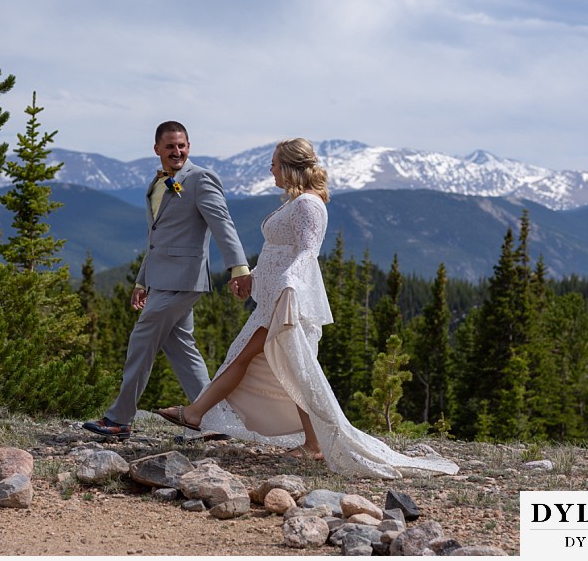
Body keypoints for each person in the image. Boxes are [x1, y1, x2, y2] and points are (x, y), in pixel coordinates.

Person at [156, 138, 458, 479]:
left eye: (273, 163)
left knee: (256, 359)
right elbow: (277, 253)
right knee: (279, 367)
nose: (270, 169)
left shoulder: (310, 206)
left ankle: (197, 414)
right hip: (272, 298)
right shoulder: (296, 203)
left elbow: (307, 252)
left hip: (288, 300)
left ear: (288, 166)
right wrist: (253, 278)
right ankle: (306, 442)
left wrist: (289, 282)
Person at [83, 121, 251, 440]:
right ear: (157, 149)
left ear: (189, 147)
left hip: (185, 280)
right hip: (161, 279)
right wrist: (141, 280)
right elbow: (156, 239)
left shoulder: (200, 179)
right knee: (182, 349)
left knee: (141, 342)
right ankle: (212, 421)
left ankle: (119, 418)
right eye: (171, 146)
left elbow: (222, 224)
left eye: (182, 145)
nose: (177, 151)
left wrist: (238, 267)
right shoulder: (157, 184)